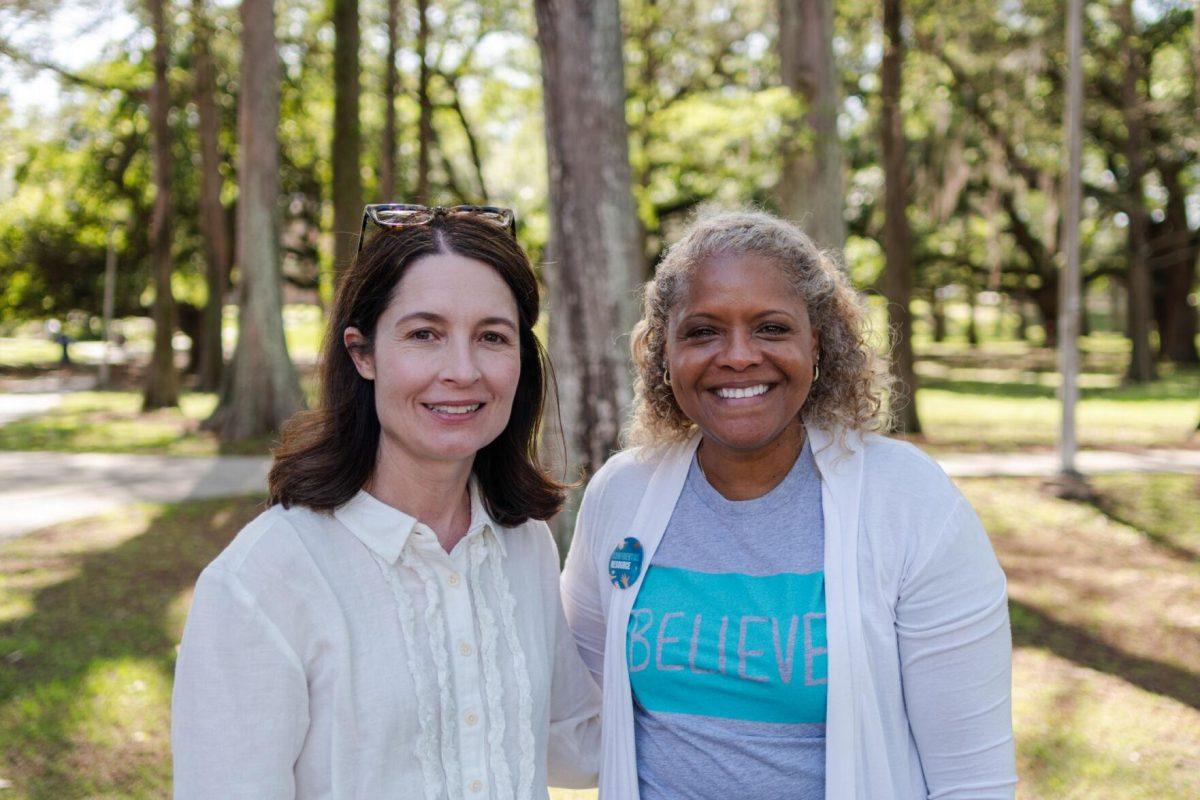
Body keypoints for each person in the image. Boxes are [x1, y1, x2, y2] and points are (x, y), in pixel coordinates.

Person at [561, 209, 1016, 799]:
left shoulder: (909, 502)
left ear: (817, 342)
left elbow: (973, 783)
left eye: (771, 327)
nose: (739, 356)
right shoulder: (623, 493)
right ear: (664, 354)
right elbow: (572, 722)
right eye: (702, 331)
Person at [172, 204, 601, 799]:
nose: (462, 369)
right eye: (424, 334)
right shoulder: (260, 583)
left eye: (492, 337)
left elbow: (574, 747)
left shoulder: (522, 542)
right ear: (362, 352)